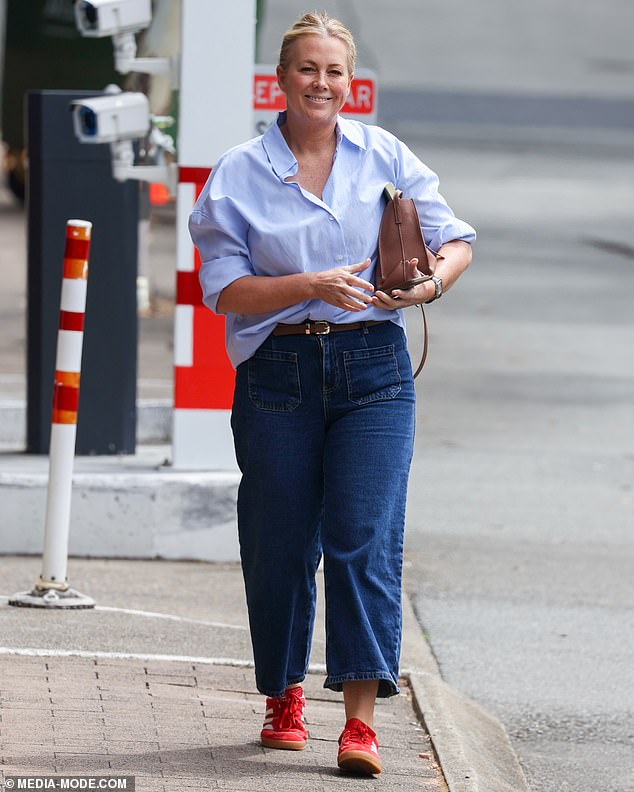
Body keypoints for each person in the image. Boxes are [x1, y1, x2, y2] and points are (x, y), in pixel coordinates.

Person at [189, 11, 475, 776]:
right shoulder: (239, 173)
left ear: (350, 82)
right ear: (280, 80)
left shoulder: (384, 155)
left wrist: (425, 288)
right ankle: (282, 693)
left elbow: (456, 241)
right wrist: (309, 285)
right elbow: (224, 291)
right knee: (280, 544)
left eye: (334, 71)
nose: (321, 83)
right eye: (307, 69)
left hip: (375, 373)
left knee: (363, 536)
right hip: (278, 375)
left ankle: (359, 722)